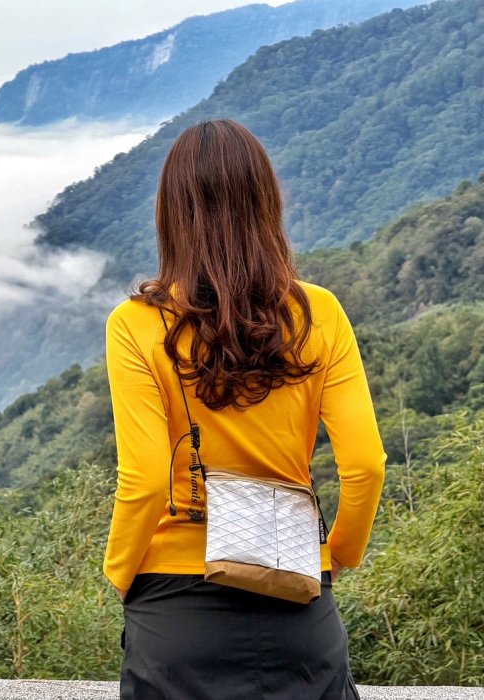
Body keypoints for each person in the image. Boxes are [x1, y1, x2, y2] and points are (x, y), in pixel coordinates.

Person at [104, 119, 386, 700]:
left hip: (174, 610)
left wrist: (122, 572)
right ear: (267, 204)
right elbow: (365, 465)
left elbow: (146, 479)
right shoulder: (319, 314)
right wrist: (337, 555)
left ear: (170, 212)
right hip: (296, 592)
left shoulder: (134, 324)